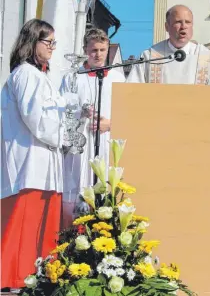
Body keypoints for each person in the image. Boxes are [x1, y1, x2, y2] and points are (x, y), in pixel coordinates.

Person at [1, 19, 66, 289]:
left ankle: (33, 278)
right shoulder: (26, 74)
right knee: (25, 227)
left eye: (54, 42)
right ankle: (15, 279)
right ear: (32, 41)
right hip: (30, 162)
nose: (52, 47)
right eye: (47, 41)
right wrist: (65, 135)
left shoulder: (40, 75)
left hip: (43, 161)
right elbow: (36, 118)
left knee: (41, 227)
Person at [60, 28, 125, 227]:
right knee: (78, 188)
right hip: (81, 145)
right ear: (84, 50)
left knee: (105, 187)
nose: (98, 55)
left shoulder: (118, 79)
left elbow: (127, 113)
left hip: (106, 142)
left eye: (102, 50)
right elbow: (62, 111)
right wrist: (81, 114)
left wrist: (112, 123)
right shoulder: (73, 78)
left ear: (108, 51)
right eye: (93, 50)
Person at [127, 4, 210, 85]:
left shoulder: (205, 56)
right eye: (178, 22)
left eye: (188, 22)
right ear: (167, 27)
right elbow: (132, 91)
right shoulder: (149, 56)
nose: (183, 27)